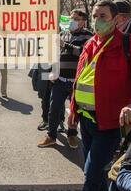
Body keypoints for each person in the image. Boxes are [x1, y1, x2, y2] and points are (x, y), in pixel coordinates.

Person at [68, 0, 131, 191]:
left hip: (109, 125)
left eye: (103, 16)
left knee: (91, 176)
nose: (97, 21)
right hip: (86, 122)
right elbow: (81, 79)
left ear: (116, 19)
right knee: (97, 175)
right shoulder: (90, 44)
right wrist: (73, 110)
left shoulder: (130, 42)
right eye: (94, 16)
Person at [38, 9, 93, 149]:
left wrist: (65, 45)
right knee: (53, 109)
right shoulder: (63, 34)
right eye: (70, 18)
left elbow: (83, 53)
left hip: (77, 82)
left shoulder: (89, 36)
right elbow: (57, 55)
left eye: (75, 19)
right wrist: (52, 72)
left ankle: (72, 135)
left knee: (74, 112)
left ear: (83, 21)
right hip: (59, 80)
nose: (71, 21)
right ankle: (51, 136)